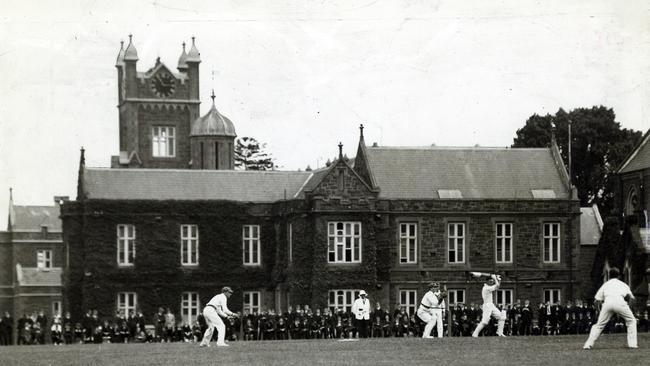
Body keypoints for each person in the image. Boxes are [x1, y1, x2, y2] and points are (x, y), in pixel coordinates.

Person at [583, 267, 637, 349]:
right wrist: (628, 308)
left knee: (599, 325)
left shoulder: (605, 284)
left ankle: (588, 345)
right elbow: (632, 298)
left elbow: (596, 301)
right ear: (619, 276)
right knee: (631, 321)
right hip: (620, 303)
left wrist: (599, 312)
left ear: (609, 275)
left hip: (607, 304)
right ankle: (632, 344)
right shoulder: (622, 284)